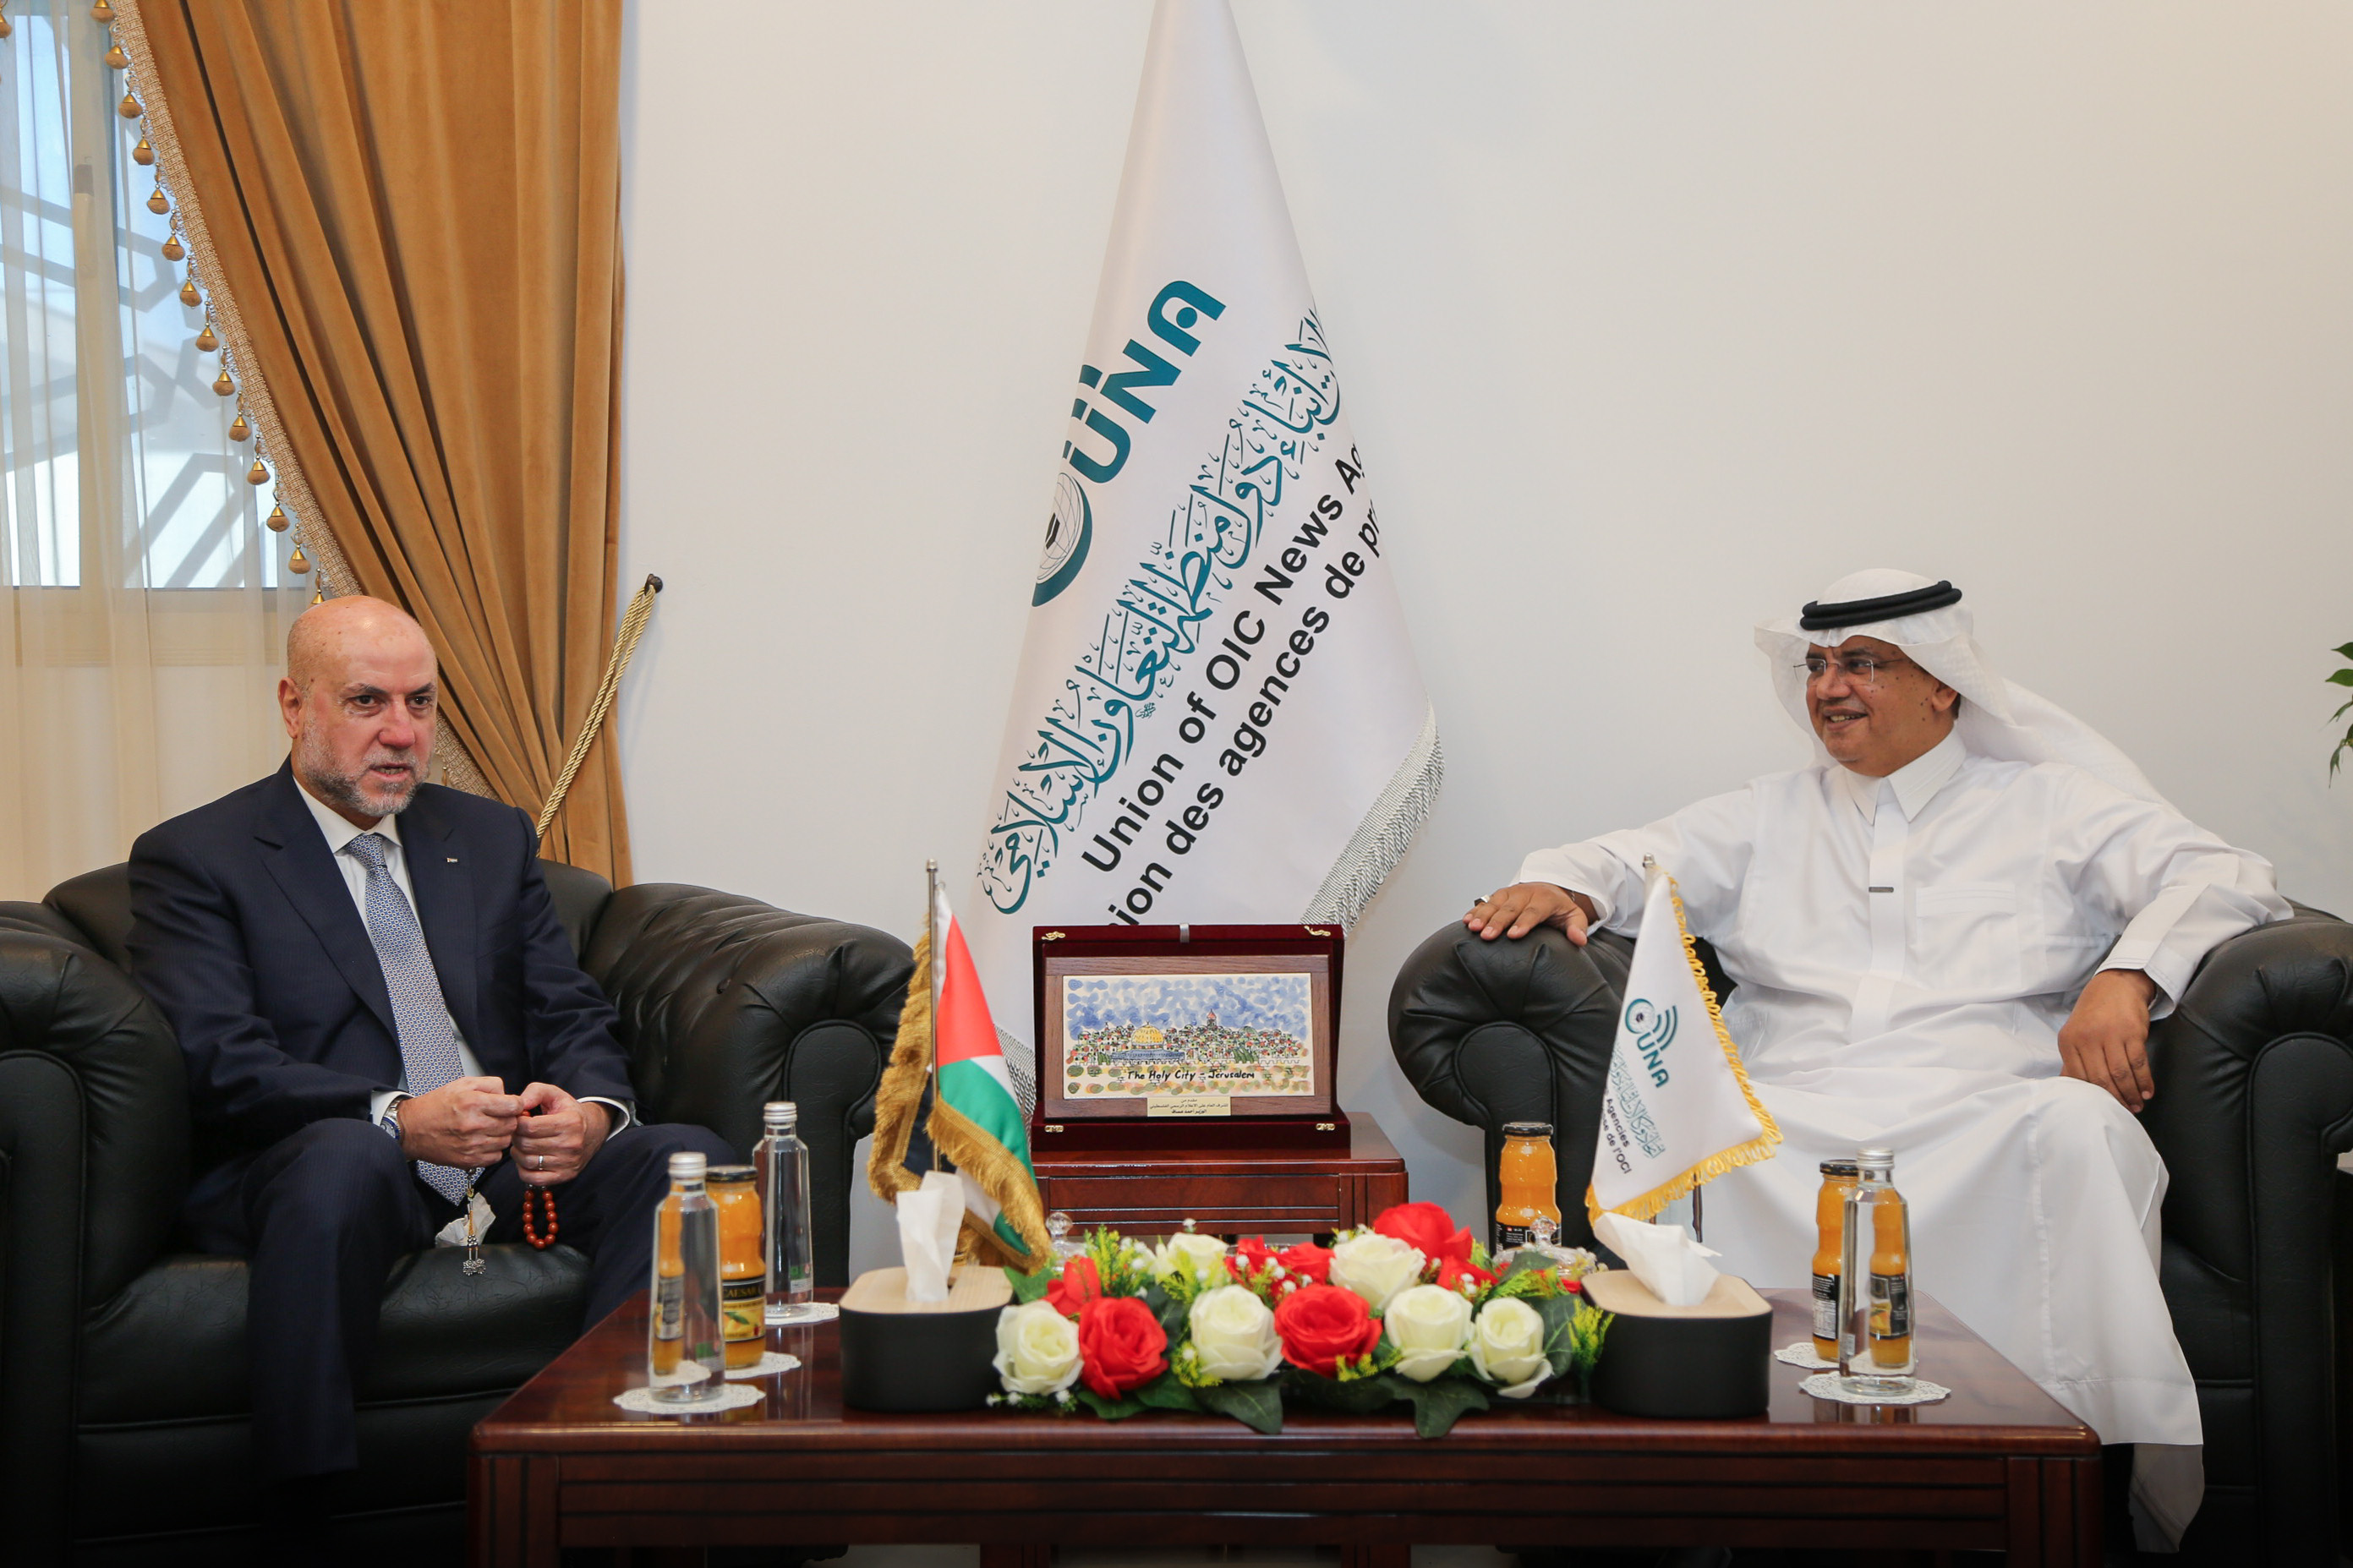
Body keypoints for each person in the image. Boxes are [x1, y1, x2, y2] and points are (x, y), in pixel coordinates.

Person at [1467, 568, 2289, 1550]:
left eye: (1861, 664)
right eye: (1816, 665)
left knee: (2080, 1128)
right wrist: (1564, 885)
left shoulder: (2052, 804)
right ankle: (1737, 1478)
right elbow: (1628, 858)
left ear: (1942, 682)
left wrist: (2127, 974)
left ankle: (2070, 1467)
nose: (1827, 687)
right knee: (1700, 1141)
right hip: (1791, 1117)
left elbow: (2226, 874)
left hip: (1990, 1111)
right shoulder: (1768, 813)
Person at [127, 595, 730, 1542]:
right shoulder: (197, 858)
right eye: (367, 701)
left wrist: (590, 1111)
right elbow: (220, 1062)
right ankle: (305, 1513)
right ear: (294, 705)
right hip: (324, 1162)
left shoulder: (487, 836)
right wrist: (399, 1117)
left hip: (500, 1156)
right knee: (347, 1157)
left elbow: (565, 1007)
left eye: (420, 702)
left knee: (683, 1159)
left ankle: (614, 1480)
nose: (402, 732)